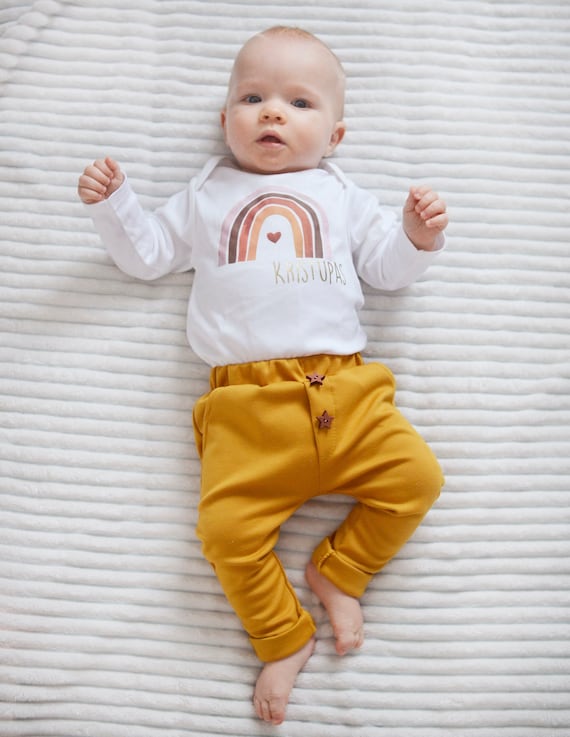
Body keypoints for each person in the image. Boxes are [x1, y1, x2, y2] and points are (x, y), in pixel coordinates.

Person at [78, 25, 448, 726]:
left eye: (299, 103)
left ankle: (340, 570)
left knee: (419, 480)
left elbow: (386, 272)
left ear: (335, 136)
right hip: (247, 413)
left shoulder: (341, 193)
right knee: (224, 535)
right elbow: (147, 255)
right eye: (253, 98)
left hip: (346, 393)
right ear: (225, 120)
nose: (273, 111)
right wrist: (115, 205)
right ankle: (283, 635)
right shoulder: (206, 193)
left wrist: (415, 238)